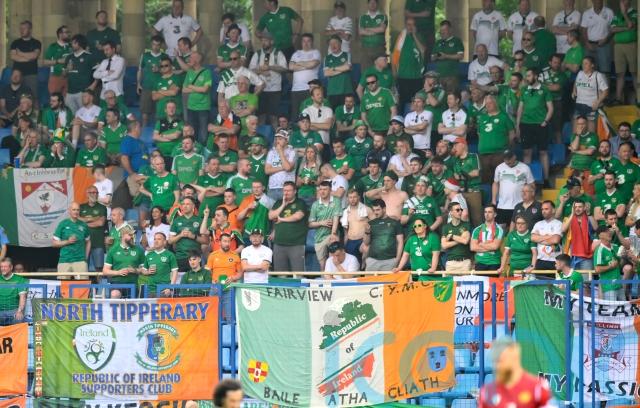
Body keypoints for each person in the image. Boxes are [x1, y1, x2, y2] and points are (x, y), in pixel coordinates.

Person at [478, 336, 552, 407]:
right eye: (496, 360)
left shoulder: (537, 388)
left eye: (502, 359)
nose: (498, 365)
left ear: (515, 357)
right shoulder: (486, 393)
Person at [517, 68, 553, 184]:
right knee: (527, 152)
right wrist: (518, 125)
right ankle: (526, 182)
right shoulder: (523, 89)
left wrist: (545, 121)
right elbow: (520, 108)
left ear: (536, 76)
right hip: (526, 124)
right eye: (526, 76)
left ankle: (546, 180)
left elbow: (551, 108)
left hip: (540, 125)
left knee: (543, 152)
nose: (526, 78)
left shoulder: (544, 89)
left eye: (529, 75)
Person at [249, 33, 288, 128]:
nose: (263, 43)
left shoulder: (278, 53)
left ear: (272, 42)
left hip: (275, 89)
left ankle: (276, 135)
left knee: (274, 116)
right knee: (260, 116)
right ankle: (260, 135)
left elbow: (284, 68)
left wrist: (270, 67)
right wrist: (261, 71)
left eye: (266, 41)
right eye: (262, 40)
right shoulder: (258, 54)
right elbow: (250, 71)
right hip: (260, 89)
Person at [492, 150, 535, 228]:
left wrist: (530, 199)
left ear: (514, 157)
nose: (507, 161)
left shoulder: (525, 168)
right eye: (505, 159)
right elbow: (495, 183)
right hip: (502, 205)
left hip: (520, 205)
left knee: (518, 228)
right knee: (500, 229)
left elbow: (532, 185)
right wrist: (494, 200)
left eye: (509, 158)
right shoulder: (499, 168)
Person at [392, 17, 426, 109]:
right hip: (403, 75)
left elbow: (422, 51)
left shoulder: (419, 36)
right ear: (405, 25)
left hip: (416, 76)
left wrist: (414, 35)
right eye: (408, 24)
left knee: (417, 102)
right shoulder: (400, 37)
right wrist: (394, 72)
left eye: (412, 25)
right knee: (402, 102)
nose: (410, 27)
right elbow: (394, 55)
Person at [102, 224, 144, 299]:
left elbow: (144, 270)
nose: (132, 237)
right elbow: (105, 271)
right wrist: (118, 272)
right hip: (117, 283)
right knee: (115, 294)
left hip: (133, 283)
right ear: (123, 235)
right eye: (130, 235)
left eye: (133, 235)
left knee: (131, 304)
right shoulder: (113, 250)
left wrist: (135, 270)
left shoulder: (138, 250)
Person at [309, 181, 342, 271]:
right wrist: (321, 223)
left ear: (330, 190)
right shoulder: (315, 205)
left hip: (331, 234)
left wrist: (333, 233)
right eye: (320, 189)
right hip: (319, 237)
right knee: (322, 265)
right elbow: (310, 224)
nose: (322, 191)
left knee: (333, 259)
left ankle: (334, 277)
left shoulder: (336, 201)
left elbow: (336, 218)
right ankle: (324, 278)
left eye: (325, 189)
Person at [362, 199, 403, 271]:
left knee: (388, 279)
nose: (375, 212)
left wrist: (397, 259)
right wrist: (367, 232)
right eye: (374, 210)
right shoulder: (370, 223)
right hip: (372, 260)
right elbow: (366, 243)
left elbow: (400, 242)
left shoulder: (395, 223)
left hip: (390, 260)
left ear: (384, 209)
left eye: (378, 210)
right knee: (369, 279)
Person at [52, 202, 90, 277]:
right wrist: (68, 241)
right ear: (69, 210)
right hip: (64, 260)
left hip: (80, 261)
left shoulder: (84, 225)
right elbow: (54, 243)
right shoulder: (63, 224)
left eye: (78, 210)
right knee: (63, 284)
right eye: (74, 210)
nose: (76, 212)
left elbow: (88, 241)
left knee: (82, 284)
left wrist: (85, 257)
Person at [169, 196, 206, 272]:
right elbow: (170, 241)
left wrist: (193, 236)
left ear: (193, 206)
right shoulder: (176, 221)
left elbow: (205, 241)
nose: (185, 206)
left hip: (195, 258)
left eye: (187, 204)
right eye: (183, 204)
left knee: (196, 279)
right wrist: (180, 235)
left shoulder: (199, 220)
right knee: (181, 279)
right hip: (180, 257)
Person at [289, 34, 322, 117]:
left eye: (308, 41)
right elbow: (291, 67)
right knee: (296, 114)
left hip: (310, 89)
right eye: (304, 41)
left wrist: (299, 63)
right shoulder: (296, 54)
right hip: (296, 88)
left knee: (310, 114)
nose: (306, 43)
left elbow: (313, 64)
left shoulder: (316, 52)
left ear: (312, 42)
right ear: (301, 42)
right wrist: (307, 65)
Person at [572, 56, 608, 133]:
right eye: (582, 63)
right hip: (579, 105)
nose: (583, 65)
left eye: (586, 63)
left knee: (590, 132)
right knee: (575, 132)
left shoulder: (598, 75)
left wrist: (598, 102)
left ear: (592, 65)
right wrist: (574, 90)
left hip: (591, 107)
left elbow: (605, 91)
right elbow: (576, 82)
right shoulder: (580, 73)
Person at [137, 35, 167, 127]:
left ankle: (160, 131)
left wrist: (159, 70)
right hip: (146, 86)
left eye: (158, 45)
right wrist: (138, 84)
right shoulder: (145, 55)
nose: (155, 47)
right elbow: (140, 70)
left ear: (161, 45)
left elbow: (169, 71)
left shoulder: (165, 56)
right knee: (145, 112)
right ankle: (144, 131)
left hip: (160, 87)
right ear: (151, 44)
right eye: (154, 44)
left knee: (160, 113)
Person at [183, 52, 212, 145]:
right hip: (191, 107)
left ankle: (202, 150)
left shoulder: (206, 72)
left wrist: (191, 86)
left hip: (203, 107)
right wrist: (198, 89)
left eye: (191, 57)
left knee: (203, 132)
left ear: (198, 59)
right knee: (191, 131)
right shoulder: (189, 72)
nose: (189, 59)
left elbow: (205, 89)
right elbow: (184, 89)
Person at [611, 0, 637, 104]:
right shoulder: (617, 15)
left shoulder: (635, 13)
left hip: (631, 45)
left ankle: (638, 98)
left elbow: (631, 24)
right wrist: (626, 28)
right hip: (618, 46)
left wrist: (624, 13)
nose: (622, 2)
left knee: (634, 72)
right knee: (619, 73)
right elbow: (612, 29)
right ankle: (618, 99)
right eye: (621, 0)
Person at [10, 21, 41, 108]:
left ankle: (36, 116)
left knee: (33, 96)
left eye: (24, 28)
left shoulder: (36, 42)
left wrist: (20, 53)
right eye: (20, 28)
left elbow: (34, 56)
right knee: (16, 96)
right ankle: (17, 115)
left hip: (31, 74)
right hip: (17, 73)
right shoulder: (15, 43)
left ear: (30, 29)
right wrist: (28, 58)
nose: (21, 30)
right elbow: (13, 56)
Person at [561, 198, 597, 273]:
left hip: (587, 256)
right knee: (574, 279)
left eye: (580, 207)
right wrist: (572, 214)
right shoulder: (568, 218)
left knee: (586, 279)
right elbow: (563, 229)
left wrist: (588, 214)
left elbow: (596, 228)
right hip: (572, 255)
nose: (577, 209)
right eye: (575, 207)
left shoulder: (589, 217)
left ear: (584, 208)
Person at [581, 0, 614, 77]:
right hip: (590, 45)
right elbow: (583, 30)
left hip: (604, 45)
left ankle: (604, 86)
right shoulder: (587, 13)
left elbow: (613, 29)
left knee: (605, 71)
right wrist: (587, 43)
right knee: (589, 70)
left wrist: (606, 39)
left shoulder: (609, 12)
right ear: (592, 1)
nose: (598, 1)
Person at [78, 186, 107, 272]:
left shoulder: (102, 207)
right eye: (92, 192)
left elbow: (100, 223)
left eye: (96, 193)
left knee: (99, 269)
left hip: (98, 243)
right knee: (83, 268)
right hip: (83, 243)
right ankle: (84, 282)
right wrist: (94, 218)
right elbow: (77, 221)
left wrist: (84, 222)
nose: (95, 194)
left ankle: (100, 282)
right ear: (87, 194)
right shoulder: (81, 207)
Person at [141, 232, 179, 297]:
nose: (156, 241)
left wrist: (170, 288)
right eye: (155, 239)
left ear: (164, 242)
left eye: (159, 239)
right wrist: (148, 272)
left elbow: (175, 272)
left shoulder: (170, 255)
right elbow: (143, 270)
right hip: (150, 290)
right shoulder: (149, 255)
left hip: (164, 290)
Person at [120, 121, 150, 201]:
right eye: (140, 127)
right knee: (138, 198)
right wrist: (132, 174)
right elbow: (124, 158)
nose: (141, 129)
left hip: (145, 174)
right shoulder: (127, 141)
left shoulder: (141, 142)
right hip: (135, 175)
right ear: (136, 128)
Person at [431, 20, 464, 93]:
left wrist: (446, 56)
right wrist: (437, 56)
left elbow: (461, 56)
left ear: (450, 30)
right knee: (439, 96)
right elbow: (432, 58)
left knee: (451, 96)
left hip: (452, 76)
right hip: (439, 75)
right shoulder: (438, 42)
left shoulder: (456, 41)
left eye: (444, 30)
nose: (442, 32)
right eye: (441, 30)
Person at [594, 224, 625, 300]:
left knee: (624, 305)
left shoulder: (615, 247)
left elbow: (620, 265)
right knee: (611, 306)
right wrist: (610, 266)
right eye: (606, 231)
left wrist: (623, 257)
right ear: (600, 235)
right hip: (608, 286)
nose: (609, 233)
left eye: (609, 231)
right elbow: (597, 269)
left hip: (619, 284)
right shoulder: (599, 250)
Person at [341, 189, 372, 264]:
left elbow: (375, 224)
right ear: (347, 199)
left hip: (362, 240)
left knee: (366, 250)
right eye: (350, 197)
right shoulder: (345, 212)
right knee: (353, 264)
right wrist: (344, 245)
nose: (352, 199)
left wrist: (369, 239)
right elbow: (345, 232)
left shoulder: (366, 209)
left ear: (358, 197)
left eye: (354, 197)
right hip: (350, 241)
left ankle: (363, 267)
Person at [265, 129, 296, 201]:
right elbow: (267, 170)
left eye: (280, 139)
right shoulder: (271, 152)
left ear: (287, 140)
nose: (277, 141)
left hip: (287, 188)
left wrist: (280, 152)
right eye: (276, 139)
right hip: (272, 188)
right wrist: (282, 167)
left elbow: (288, 168)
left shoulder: (292, 152)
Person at [531, 201, 563, 270]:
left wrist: (539, 239)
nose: (543, 211)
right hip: (540, 260)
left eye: (546, 209)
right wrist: (549, 237)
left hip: (556, 261)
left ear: (553, 210)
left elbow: (555, 240)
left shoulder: (558, 224)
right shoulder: (538, 224)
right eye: (542, 209)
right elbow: (533, 238)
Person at [323, 36, 353, 109]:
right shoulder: (327, 58)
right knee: (333, 113)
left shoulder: (347, 54)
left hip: (346, 90)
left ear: (340, 43)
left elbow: (347, 67)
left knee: (347, 113)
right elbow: (326, 73)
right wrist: (342, 69)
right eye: (331, 44)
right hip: (332, 92)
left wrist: (333, 68)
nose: (333, 45)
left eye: (335, 43)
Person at [441, 202, 472, 272]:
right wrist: (459, 239)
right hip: (451, 263)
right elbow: (444, 245)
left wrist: (451, 236)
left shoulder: (466, 225)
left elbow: (465, 241)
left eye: (461, 209)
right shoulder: (446, 227)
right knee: (449, 280)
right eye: (457, 210)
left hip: (464, 262)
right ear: (451, 212)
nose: (460, 211)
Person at [358, 0, 388, 68]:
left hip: (379, 49)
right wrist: (376, 30)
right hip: (366, 49)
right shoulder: (363, 17)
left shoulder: (383, 16)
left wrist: (367, 29)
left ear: (377, 4)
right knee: (366, 71)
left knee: (380, 70)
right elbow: (361, 31)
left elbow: (382, 29)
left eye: (374, 3)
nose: (372, 4)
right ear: (368, 4)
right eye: (370, 3)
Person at [152, 56, 182, 121]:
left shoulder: (177, 78)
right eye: (161, 66)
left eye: (166, 65)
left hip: (175, 113)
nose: (164, 67)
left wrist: (159, 91)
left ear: (171, 66)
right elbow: (154, 97)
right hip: (161, 113)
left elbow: (174, 92)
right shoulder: (157, 80)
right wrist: (169, 91)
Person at [44, 26, 71, 95]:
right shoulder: (53, 46)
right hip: (56, 76)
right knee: (55, 97)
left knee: (67, 99)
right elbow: (45, 62)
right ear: (60, 34)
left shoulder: (71, 46)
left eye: (69, 32)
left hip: (69, 77)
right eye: (66, 32)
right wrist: (58, 61)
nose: (69, 34)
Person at [0, 258, 27, 326]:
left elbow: (22, 297)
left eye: (5, 267)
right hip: (0, 311)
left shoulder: (20, 279)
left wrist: (19, 311)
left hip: (13, 311)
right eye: (1, 267)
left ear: (11, 267)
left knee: (19, 318)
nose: (3, 269)